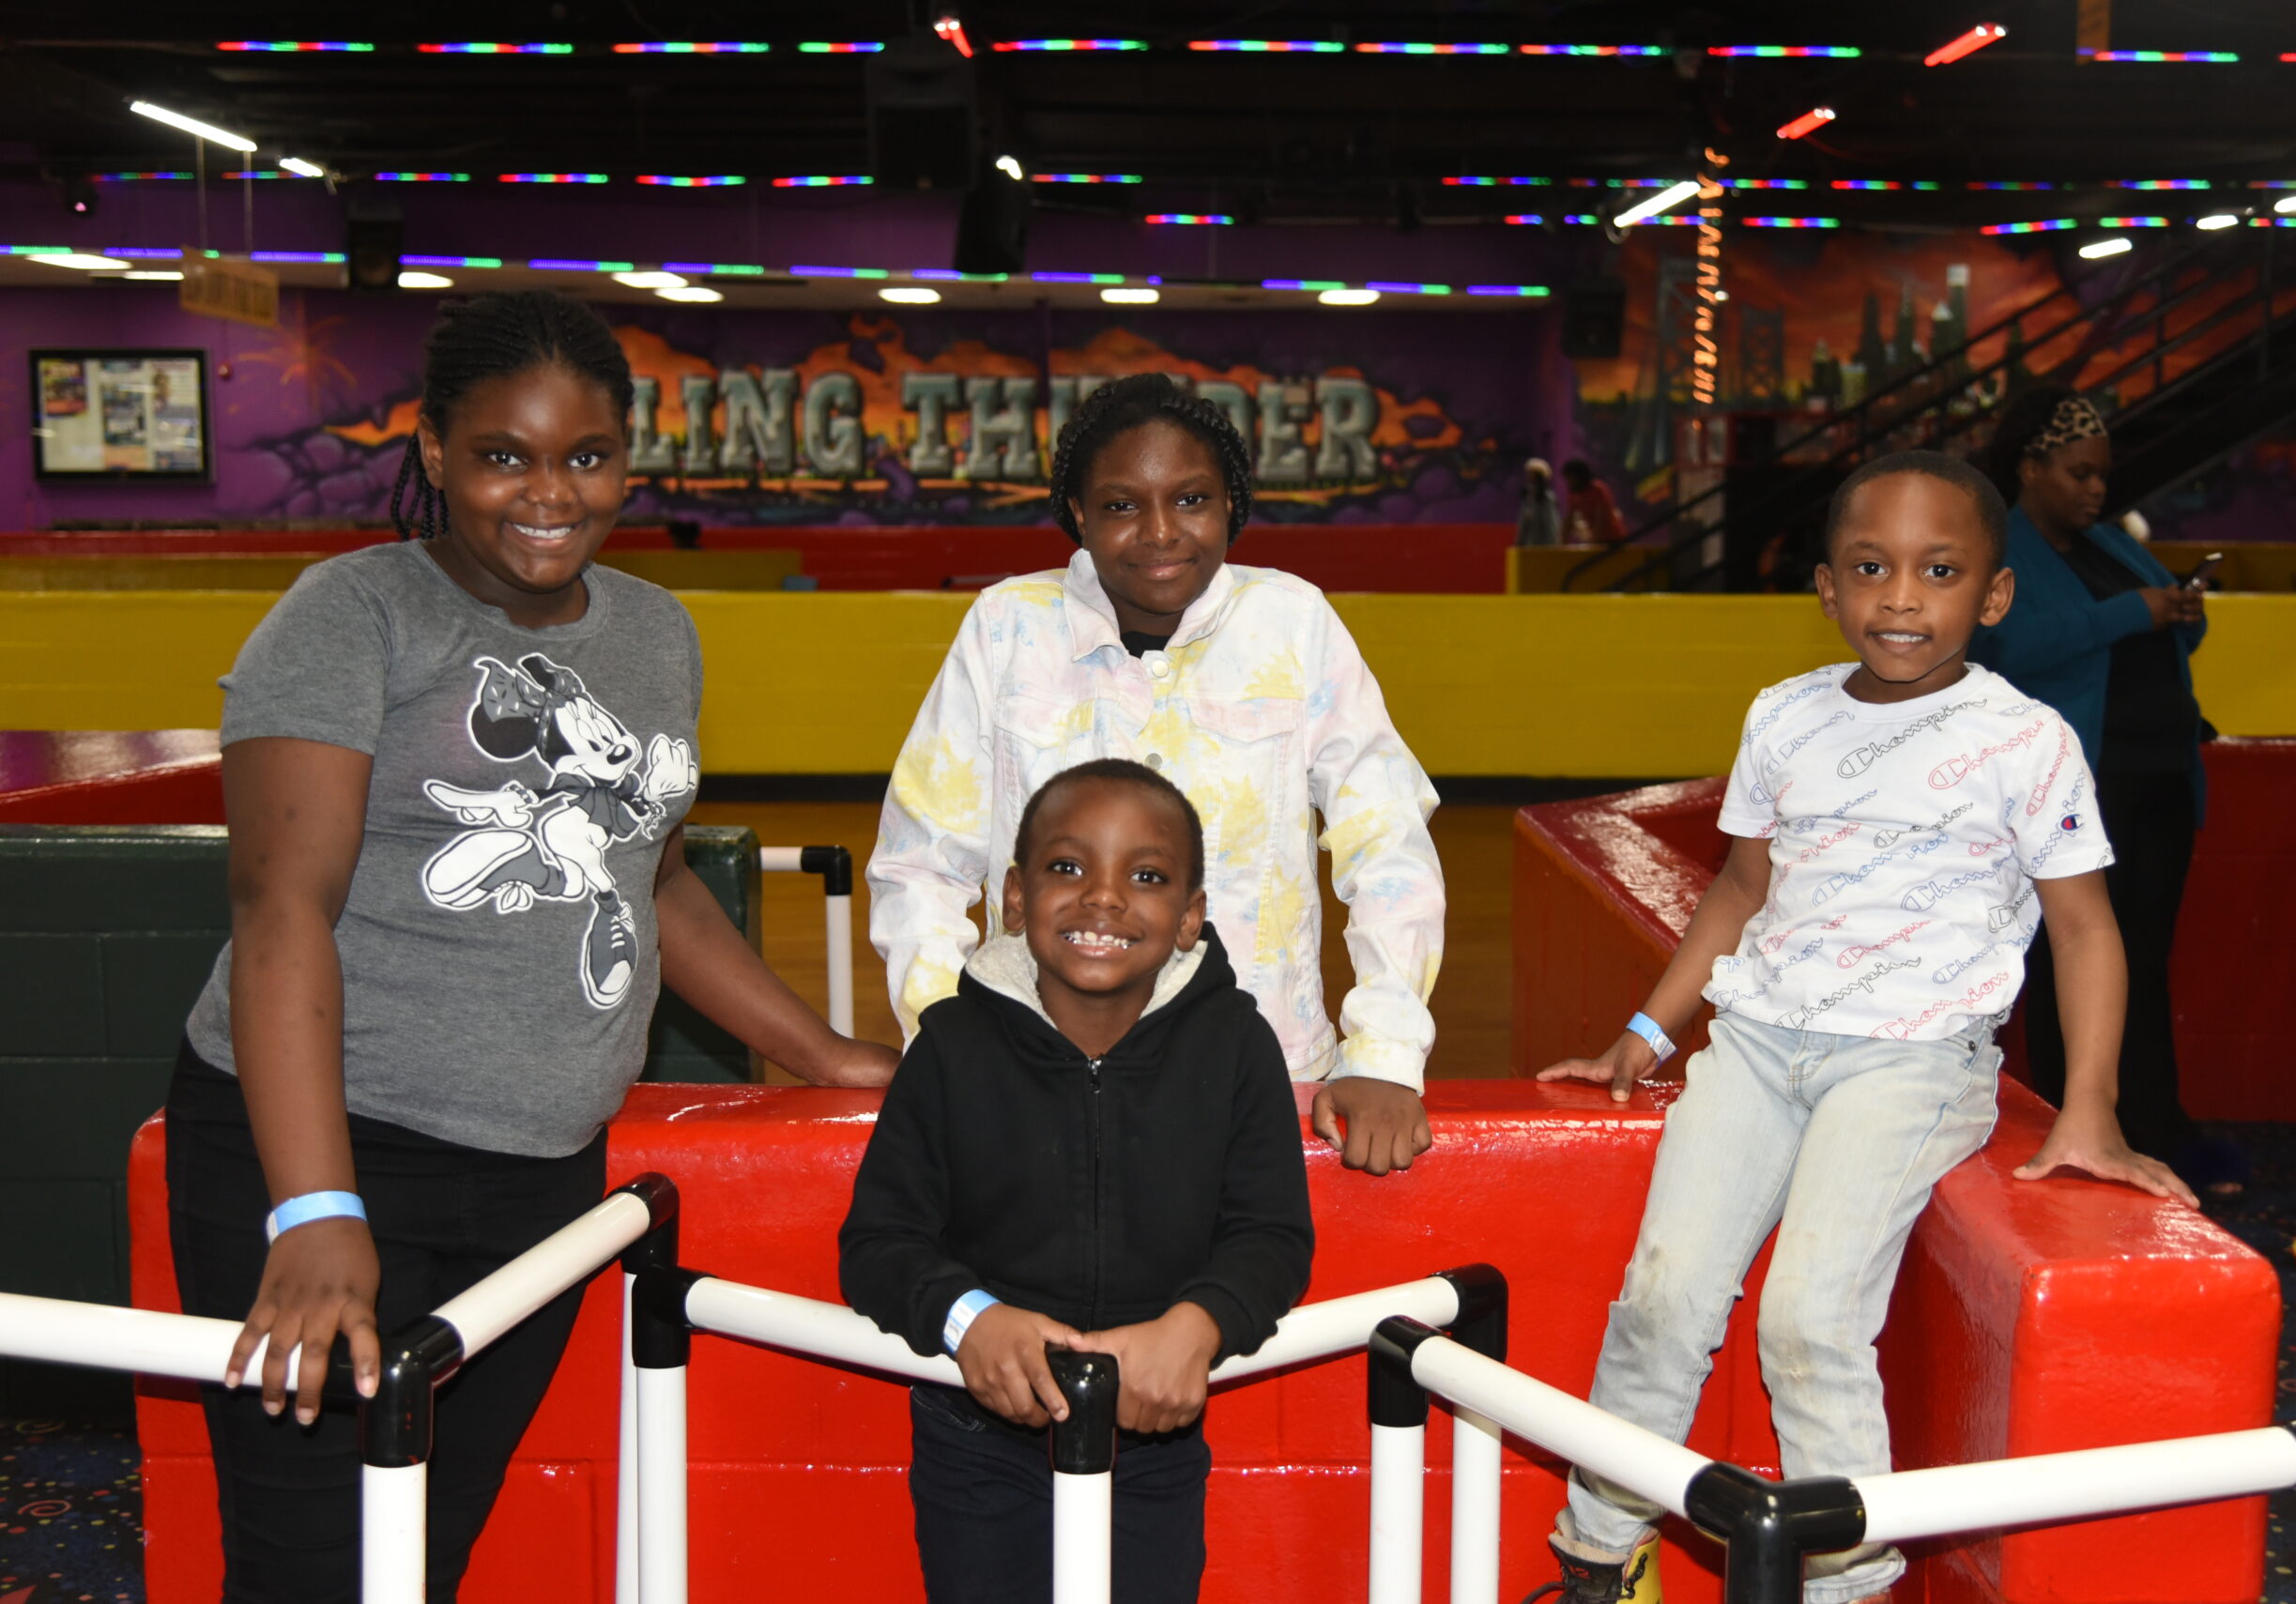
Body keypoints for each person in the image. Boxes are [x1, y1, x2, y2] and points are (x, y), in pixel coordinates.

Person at [168, 289, 895, 1602]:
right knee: (311, 1569)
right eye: (505, 455)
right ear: (436, 451)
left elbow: (651, 871)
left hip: (536, 1180)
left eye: (585, 456)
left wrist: (818, 1048)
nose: (547, 493)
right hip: (331, 1147)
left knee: (430, 1550)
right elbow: (282, 910)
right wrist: (319, 1206)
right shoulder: (351, 615)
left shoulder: (654, 630)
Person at [1537, 451, 2194, 1604]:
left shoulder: (2025, 739)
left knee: (1811, 1314)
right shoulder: (1783, 715)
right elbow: (1739, 892)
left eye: (1938, 570)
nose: (1901, 596)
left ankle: (1844, 1583)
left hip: (1910, 1061)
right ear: (1827, 589)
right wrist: (1644, 1033)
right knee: (1663, 1292)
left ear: (1991, 596)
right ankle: (1599, 1549)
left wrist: (2090, 1104)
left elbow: (2086, 931)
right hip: (1754, 1044)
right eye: (1870, 567)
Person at [868, 373, 1444, 1175]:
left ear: (1231, 504)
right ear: (1078, 513)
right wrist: (953, 1045)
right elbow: (920, 864)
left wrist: (1382, 1047)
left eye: (1192, 499)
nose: (1160, 532)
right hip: (1033, 1086)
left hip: (1264, 1081)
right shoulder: (1006, 632)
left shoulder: (1293, 625)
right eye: (1121, 505)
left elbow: (1386, 845)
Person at [841, 759, 1313, 1604]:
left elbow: (1271, 1236)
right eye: (1068, 867)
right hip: (977, 1443)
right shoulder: (950, 1048)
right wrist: (970, 1321)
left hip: (1153, 1449)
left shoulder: (1237, 1047)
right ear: (1015, 898)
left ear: (1189, 918)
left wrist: (1197, 1326)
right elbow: (879, 1244)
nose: (1103, 897)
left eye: (1147, 875)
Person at [1969, 386, 2237, 1196]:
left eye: (2102, 476)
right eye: (2080, 473)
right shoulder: (2003, 545)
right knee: (2067, 966)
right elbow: (2009, 641)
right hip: (2080, 789)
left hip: (2157, 782)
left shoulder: (2114, 542)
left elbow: (2181, 622)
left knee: (2143, 964)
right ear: (2031, 467)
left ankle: (2156, 1124)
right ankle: (2070, 1118)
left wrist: (2177, 607)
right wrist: (2130, 613)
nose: (2096, 490)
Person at [1560, 458, 1628, 546]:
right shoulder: (1574, 493)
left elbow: (1601, 519)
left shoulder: (1598, 489)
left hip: (1613, 539)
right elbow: (1568, 519)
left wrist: (1593, 543)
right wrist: (1563, 543)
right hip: (1597, 541)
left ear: (1579, 476)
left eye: (1570, 478)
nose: (1568, 481)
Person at [1516, 456, 1563, 546]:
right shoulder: (1528, 497)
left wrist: (1553, 545)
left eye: (1531, 474)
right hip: (1529, 545)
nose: (1528, 476)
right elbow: (1524, 522)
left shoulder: (1546, 498)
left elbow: (1551, 523)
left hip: (1544, 545)